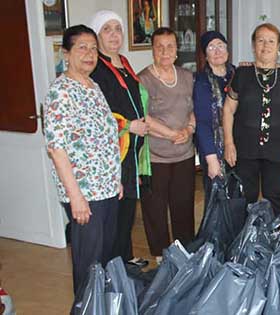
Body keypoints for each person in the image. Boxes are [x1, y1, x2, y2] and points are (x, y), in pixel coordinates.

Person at [44, 24, 121, 297]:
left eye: (93, 48)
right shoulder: (61, 92)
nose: (89, 54)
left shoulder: (92, 85)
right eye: (82, 48)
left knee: (106, 259)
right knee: (89, 264)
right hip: (85, 194)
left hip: (107, 188)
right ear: (66, 53)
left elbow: (105, 136)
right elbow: (57, 148)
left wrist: (116, 178)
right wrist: (76, 196)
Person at [89, 10, 148, 267]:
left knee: (128, 210)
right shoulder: (96, 69)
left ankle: (125, 256)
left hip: (132, 150)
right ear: (97, 35)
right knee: (117, 211)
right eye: (107, 29)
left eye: (117, 28)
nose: (114, 35)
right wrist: (128, 126)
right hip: (114, 151)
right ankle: (115, 267)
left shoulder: (123, 62)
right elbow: (96, 115)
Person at [223, 23, 280, 216]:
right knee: (243, 198)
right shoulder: (241, 74)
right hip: (244, 149)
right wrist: (228, 142)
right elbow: (228, 110)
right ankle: (243, 242)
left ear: (278, 48)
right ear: (253, 46)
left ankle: (272, 243)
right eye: (260, 40)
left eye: (271, 41)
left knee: (273, 199)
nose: (265, 46)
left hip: (277, 150)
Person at [138, 27, 196, 262]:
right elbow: (143, 116)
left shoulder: (187, 76)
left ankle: (185, 250)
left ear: (176, 49)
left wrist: (188, 129)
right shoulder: (143, 79)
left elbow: (194, 109)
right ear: (152, 50)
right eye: (159, 46)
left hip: (184, 154)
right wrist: (172, 133)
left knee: (183, 204)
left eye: (170, 46)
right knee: (155, 208)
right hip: (155, 156)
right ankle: (160, 254)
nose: (165, 51)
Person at [193, 30, 235, 208]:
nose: (217, 51)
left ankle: (241, 236)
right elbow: (202, 123)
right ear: (205, 54)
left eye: (220, 46)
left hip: (241, 148)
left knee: (240, 198)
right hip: (214, 150)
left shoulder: (239, 75)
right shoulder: (201, 81)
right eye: (211, 47)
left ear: (227, 50)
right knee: (218, 202)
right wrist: (211, 160)